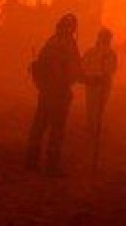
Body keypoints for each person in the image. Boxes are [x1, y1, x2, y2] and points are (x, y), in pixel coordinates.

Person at [25, 13, 82, 176]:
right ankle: (50, 166)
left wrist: (89, 79)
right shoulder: (63, 44)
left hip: (48, 92)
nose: (71, 30)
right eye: (70, 27)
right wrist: (88, 79)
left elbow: (74, 69)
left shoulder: (54, 41)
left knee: (40, 126)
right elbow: (73, 70)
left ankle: (32, 161)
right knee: (55, 130)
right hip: (57, 92)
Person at [81, 27, 118, 165]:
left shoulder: (110, 54)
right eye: (105, 37)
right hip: (93, 84)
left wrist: (102, 76)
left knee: (97, 109)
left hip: (102, 85)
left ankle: (93, 132)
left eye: (107, 38)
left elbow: (112, 69)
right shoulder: (92, 52)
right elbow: (83, 65)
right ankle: (91, 132)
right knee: (92, 109)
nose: (106, 40)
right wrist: (91, 76)